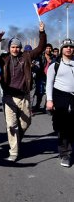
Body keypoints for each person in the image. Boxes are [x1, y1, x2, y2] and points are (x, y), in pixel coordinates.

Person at [0, 21, 46, 162]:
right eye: (13, 47)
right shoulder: (3, 59)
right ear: (9, 48)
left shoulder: (27, 57)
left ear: (21, 48)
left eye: (17, 47)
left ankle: (16, 139)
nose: (15, 49)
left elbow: (41, 48)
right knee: (11, 125)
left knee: (26, 123)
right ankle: (14, 152)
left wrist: (42, 32)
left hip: (24, 96)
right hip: (9, 97)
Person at [46, 38, 74, 167]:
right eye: (66, 46)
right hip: (60, 97)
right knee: (62, 127)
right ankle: (65, 154)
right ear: (62, 49)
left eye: (71, 46)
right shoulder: (55, 65)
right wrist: (49, 100)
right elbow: (49, 84)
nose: (69, 48)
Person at [33, 43, 54, 112]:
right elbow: (37, 66)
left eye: (50, 48)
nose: (48, 50)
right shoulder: (40, 57)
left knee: (49, 92)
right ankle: (37, 105)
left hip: (50, 77)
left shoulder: (53, 57)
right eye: (47, 48)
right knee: (40, 92)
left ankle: (47, 107)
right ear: (44, 49)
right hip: (41, 76)